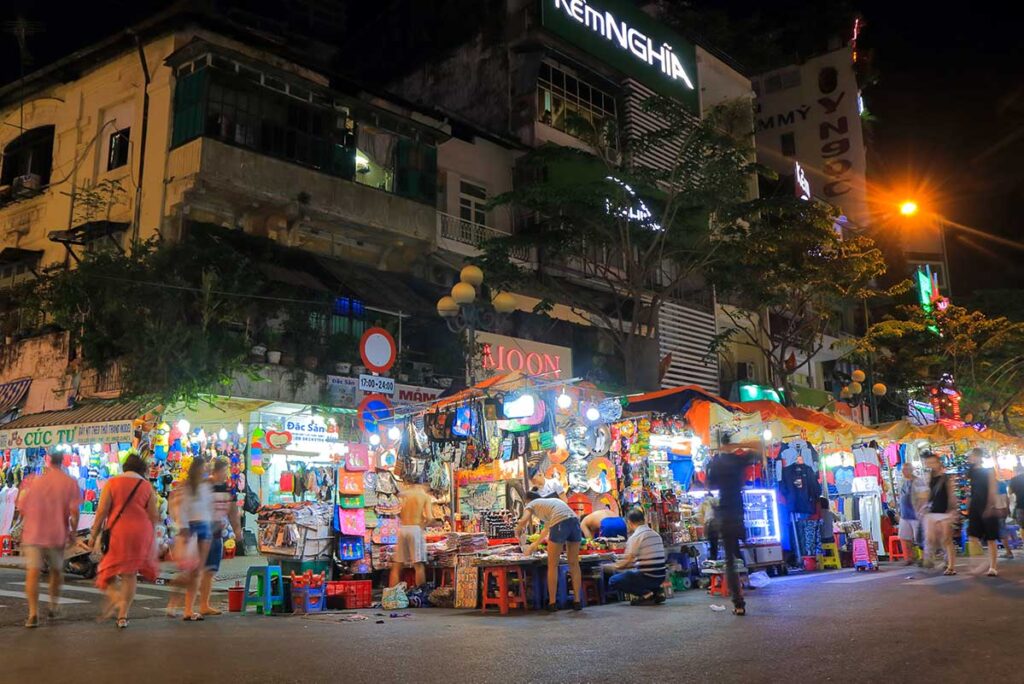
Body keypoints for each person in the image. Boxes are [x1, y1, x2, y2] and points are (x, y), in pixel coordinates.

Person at [88, 452, 159, 629]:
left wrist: (94, 534)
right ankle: (123, 616)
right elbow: (153, 516)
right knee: (130, 574)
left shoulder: (112, 483)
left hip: (118, 531)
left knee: (107, 570)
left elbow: (102, 511)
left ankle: (117, 599)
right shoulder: (146, 486)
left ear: (124, 467)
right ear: (142, 469)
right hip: (140, 532)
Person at [16, 451, 80, 628]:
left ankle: (33, 613)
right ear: (63, 462)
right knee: (56, 571)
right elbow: (75, 512)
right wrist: (73, 532)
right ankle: (53, 606)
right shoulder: (70, 483)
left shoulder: (32, 481)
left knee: (33, 572)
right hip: (56, 533)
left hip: (33, 533)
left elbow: (21, 508)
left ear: (48, 461)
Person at [516, 490, 584, 612]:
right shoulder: (550, 505)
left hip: (560, 523)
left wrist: (518, 529)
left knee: (552, 565)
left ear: (527, 500)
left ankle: (552, 603)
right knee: (574, 563)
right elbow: (546, 530)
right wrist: (533, 546)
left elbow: (523, 520)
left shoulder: (532, 504)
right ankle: (577, 601)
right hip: (575, 522)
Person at [706, 447, 752, 616]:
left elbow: (711, 484)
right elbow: (754, 455)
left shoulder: (716, 463)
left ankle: (738, 603)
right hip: (738, 512)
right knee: (739, 552)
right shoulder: (738, 460)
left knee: (730, 561)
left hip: (725, 515)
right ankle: (749, 577)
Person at [196, 458, 243, 616]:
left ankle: (204, 604)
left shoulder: (226, 488)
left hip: (216, 532)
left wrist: (237, 530)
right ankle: (186, 604)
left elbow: (232, 510)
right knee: (200, 570)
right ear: (216, 471)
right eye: (224, 470)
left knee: (210, 570)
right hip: (202, 532)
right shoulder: (204, 486)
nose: (226, 473)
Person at [171, 457, 214, 620]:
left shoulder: (205, 487)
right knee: (188, 571)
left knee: (197, 571)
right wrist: (183, 527)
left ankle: (188, 609)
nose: (205, 470)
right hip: (190, 528)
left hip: (205, 528)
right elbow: (180, 507)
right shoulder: (185, 486)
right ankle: (176, 601)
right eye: (203, 467)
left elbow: (209, 508)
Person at [606, 508, 666, 605]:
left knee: (613, 580)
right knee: (632, 573)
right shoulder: (656, 534)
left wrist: (612, 567)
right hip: (660, 577)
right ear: (643, 520)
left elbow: (628, 561)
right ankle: (657, 592)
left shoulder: (636, 536)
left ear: (629, 522)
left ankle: (646, 594)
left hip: (648, 577)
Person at [390, 483, 433, 588]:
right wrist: (421, 526)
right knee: (418, 565)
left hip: (403, 529)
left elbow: (397, 512)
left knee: (397, 566)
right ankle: (420, 594)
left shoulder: (404, 495)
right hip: (415, 529)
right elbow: (430, 518)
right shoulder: (424, 496)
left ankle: (390, 595)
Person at [965, 448, 1000, 576]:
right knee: (972, 535)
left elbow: (992, 490)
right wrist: (968, 506)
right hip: (975, 506)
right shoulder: (971, 472)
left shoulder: (988, 471)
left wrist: (990, 506)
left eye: (973, 456)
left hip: (987, 505)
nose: (971, 458)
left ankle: (993, 566)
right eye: (970, 456)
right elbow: (969, 490)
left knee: (991, 539)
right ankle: (982, 561)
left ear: (979, 457)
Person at [922, 451, 957, 576]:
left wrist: (953, 509)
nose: (930, 465)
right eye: (928, 463)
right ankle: (936, 559)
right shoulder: (928, 478)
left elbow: (952, 494)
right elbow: (927, 495)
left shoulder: (946, 478)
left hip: (945, 512)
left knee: (946, 540)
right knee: (931, 538)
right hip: (931, 512)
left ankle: (951, 566)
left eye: (932, 462)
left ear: (938, 463)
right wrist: (923, 507)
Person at [897, 462, 921, 565]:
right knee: (904, 537)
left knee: (919, 538)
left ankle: (923, 557)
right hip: (905, 514)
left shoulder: (917, 481)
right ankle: (909, 557)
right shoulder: (904, 482)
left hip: (915, 515)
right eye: (903, 470)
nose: (903, 472)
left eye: (906, 469)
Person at [698, 494, 720, 560]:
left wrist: (702, 525)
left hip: (710, 525)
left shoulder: (704, 503)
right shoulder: (717, 500)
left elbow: (699, 516)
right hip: (720, 526)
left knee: (713, 545)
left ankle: (713, 559)